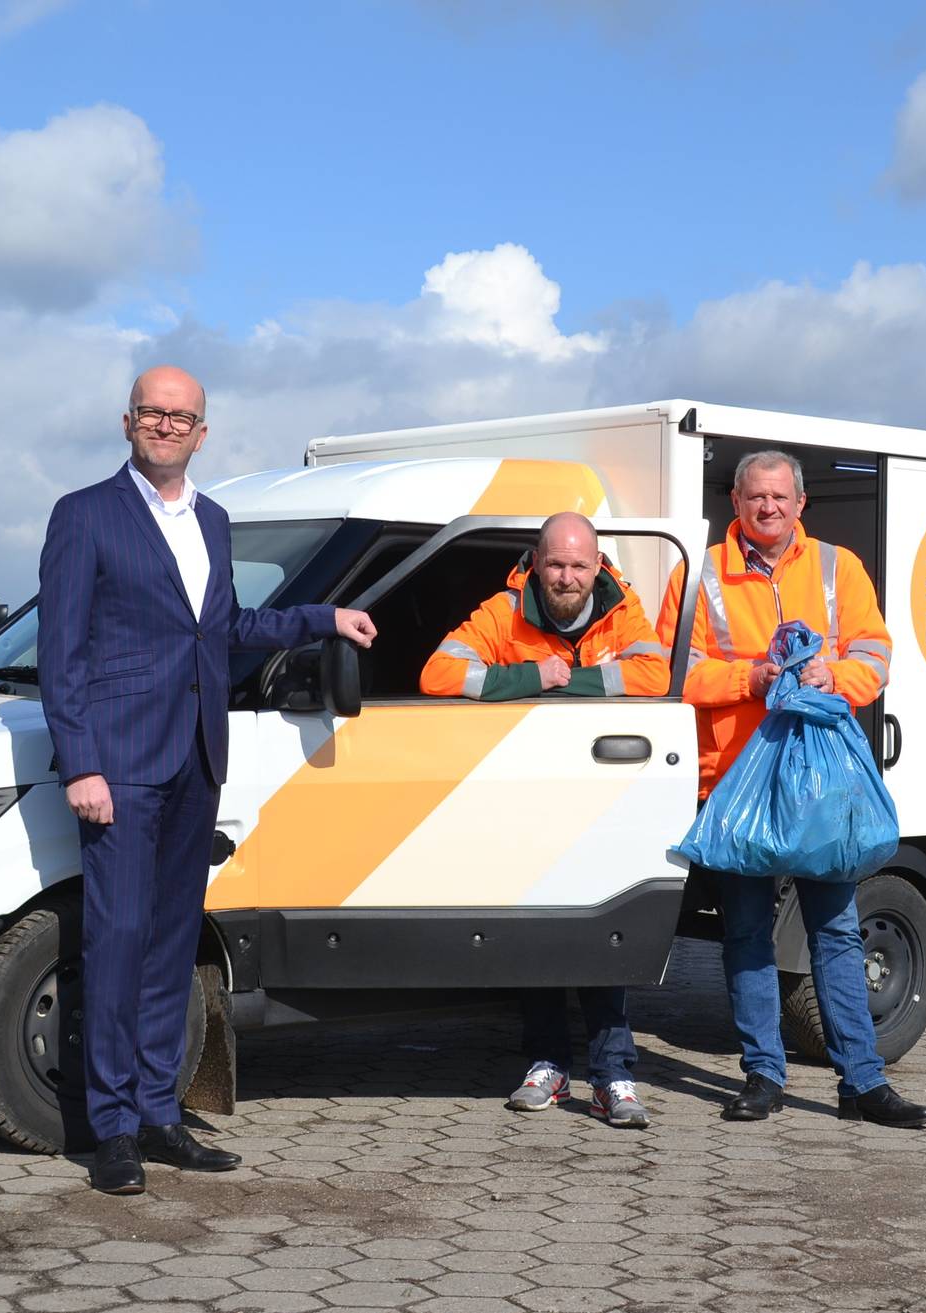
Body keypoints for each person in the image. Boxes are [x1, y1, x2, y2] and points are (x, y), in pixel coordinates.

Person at [39, 365, 377, 1194]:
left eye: (181, 415)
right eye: (152, 412)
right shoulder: (84, 515)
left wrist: (322, 617)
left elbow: (225, 626)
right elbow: (62, 652)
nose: (165, 424)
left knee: (168, 944)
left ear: (202, 431)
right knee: (115, 943)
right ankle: (111, 1126)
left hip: (196, 758)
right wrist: (80, 761)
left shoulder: (215, 520)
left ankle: (160, 1111)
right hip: (118, 765)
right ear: (127, 422)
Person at [657, 451, 926, 1129]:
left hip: (819, 789)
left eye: (781, 497)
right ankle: (763, 1074)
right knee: (748, 934)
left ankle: (862, 1082)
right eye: (756, 497)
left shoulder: (839, 567)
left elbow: (876, 654)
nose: (769, 508)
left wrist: (833, 676)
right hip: (735, 783)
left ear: (801, 504)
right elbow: (670, 670)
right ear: (737, 504)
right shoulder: (698, 574)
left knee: (836, 931)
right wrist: (746, 680)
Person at [420, 511, 667, 1127]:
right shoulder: (504, 611)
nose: (566, 576)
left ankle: (615, 1075)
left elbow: (654, 674)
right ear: (536, 562)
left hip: (609, 802)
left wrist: (570, 683)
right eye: (555, 563)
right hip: (530, 801)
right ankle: (548, 1066)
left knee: (604, 941)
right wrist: (530, 675)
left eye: (579, 565)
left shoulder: (622, 608)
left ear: (597, 567)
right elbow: (438, 673)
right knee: (539, 936)